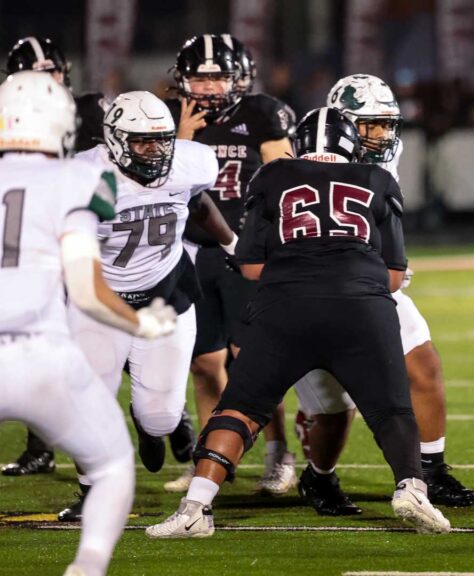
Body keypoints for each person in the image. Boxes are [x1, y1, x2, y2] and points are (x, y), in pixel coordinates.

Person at [146, 108, 450, 538]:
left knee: (240, 409)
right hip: (361, 306)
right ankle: (411, 488)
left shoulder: (273, 177)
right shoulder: (378, 179)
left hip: (285, 307)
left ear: (299, 145)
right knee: (390, 409)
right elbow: (395, 277)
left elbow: (250, 267)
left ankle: (196, 506)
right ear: (352, 146)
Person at [0, 71, 176, 576]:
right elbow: (86, 291)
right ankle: (88, 566)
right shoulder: (75, 178)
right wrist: (140, 324)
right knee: (114, 467)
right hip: (41, 356)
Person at [290, 74, 474, 517]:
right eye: (368, 125)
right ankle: (316, 477)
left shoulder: (383, 160)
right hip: (314, 294)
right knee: (336, 409)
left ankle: (430, 469)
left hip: (375, 288)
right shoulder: (301, 165)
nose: (380, 135)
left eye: (386, 124)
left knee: (424, 364)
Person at [56, 90, 237, 522]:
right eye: (142, 141)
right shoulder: (82, 176)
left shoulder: (189, 162)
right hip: (98, 301)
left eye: (162, 140)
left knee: (158, 419)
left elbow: (199, 201)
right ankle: (91, 492)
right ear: (116, 140)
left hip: (166, 294)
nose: (155, 150)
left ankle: (150, 423)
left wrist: (232, 242)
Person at [163, 34, 298, 495]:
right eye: (200, 76)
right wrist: (181, 136)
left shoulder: (261, 114)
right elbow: (164, 185)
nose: (208, 86)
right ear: (183, 79)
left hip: (247, 250)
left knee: (249, 358)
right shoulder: (171, 119)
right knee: (204, 361)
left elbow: (286, 183)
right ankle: (212, 457)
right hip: (193, 250)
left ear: (238, 78)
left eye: (217, 76)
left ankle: (280, 453)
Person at [1, 36, 110, 477]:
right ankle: (42, 444)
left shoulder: (93, 111)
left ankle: (153, 422)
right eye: (37, 74)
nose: (48, 82)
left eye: (53, 72)